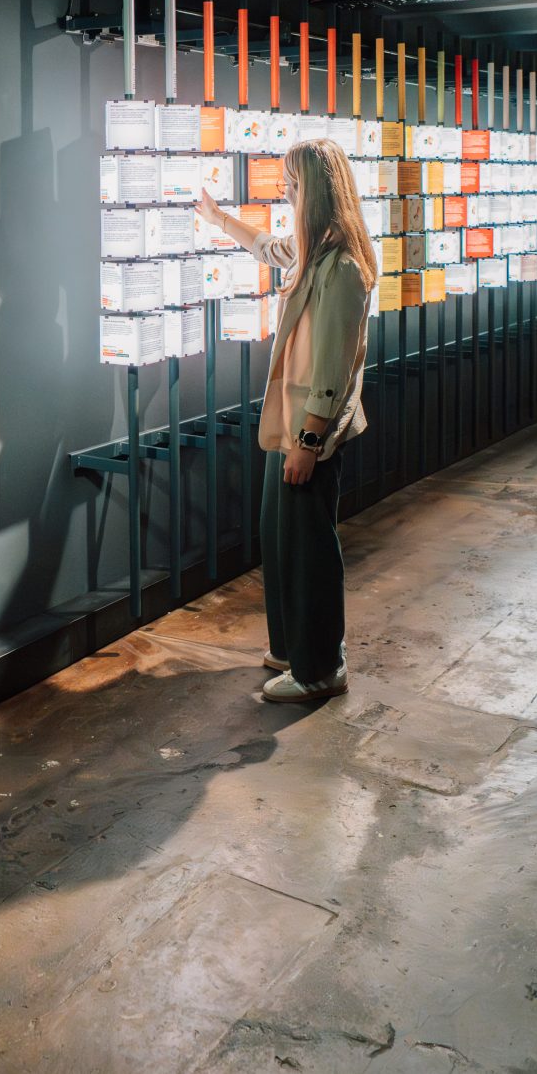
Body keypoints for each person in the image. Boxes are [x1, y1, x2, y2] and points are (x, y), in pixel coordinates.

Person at [195, 136, 379, 703]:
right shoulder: (314, 250)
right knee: (281, 538)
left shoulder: (342, 268)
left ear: (316, 191)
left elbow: (332, 367)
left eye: (292, 184)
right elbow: (271, 249)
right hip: (290, 428)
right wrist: (220, 220)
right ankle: (293, 646)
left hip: (308, 434)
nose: (286, 193)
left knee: (309, 550)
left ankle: (320, 668)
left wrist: (309, 440)